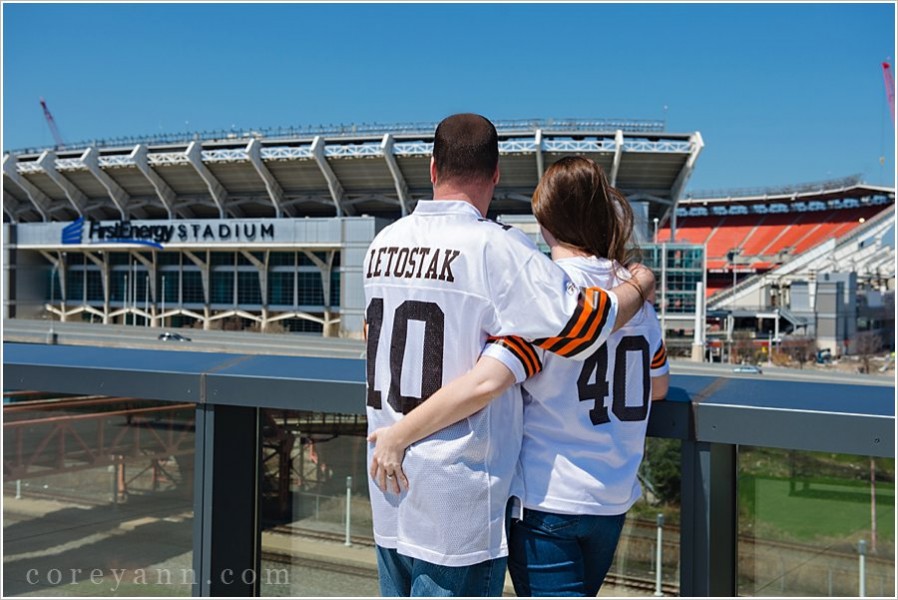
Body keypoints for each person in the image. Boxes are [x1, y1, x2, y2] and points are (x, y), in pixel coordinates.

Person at [364, 114, 655, 597]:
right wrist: (640, 285)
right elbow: (581, 328)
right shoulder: (498, 247)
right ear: (496, 175)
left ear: (432, 169)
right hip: (458, 493)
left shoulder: (382, 243)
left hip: (387, 477)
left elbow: (370, 338)